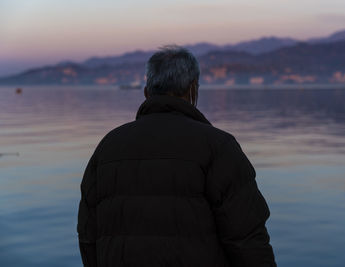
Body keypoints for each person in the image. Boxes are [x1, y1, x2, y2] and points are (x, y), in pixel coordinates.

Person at [77, 45, 276, 267]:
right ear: (193, 90)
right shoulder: (218, 147)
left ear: (146, 93)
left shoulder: (107, 148)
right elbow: (247, 238)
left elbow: (88, 235)